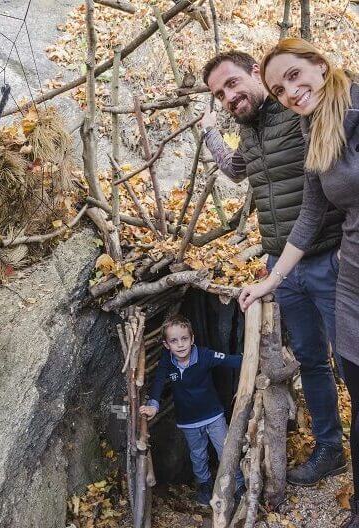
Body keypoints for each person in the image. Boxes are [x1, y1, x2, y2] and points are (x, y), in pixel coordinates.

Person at [200, 50, 346, 486]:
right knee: (311, 359)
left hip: (329, 257)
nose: (228, 97)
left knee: (349, 357)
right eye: (219, 94)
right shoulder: (248, 132)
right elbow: (234, 171)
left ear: (255, 73)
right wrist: (211, 135)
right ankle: (330, 449)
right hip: (281, 266)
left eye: (232, 83)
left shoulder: (298, 115)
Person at [239, 37, 358, 527]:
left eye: (293, 75)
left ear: (318, 63)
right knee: (348, 373)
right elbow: (311, 211)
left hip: (334, 264)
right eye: (279, 87)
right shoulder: (316, 128)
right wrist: (272, 279)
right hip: (353, 269)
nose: (290, 91)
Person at [139, 315, 244, 506]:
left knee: (226, 451)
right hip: (188, 421)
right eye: (174, 340)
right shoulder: (167, 362)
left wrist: (253, 357)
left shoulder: (204, 355)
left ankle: (238, 485)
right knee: (198, 454)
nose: (180, 345)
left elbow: (230, 361)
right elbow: (159, 382)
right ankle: (204, 485)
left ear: (192, 339)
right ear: (166, 344)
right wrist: (154, 404)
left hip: (213, 416)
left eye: (184, 339)